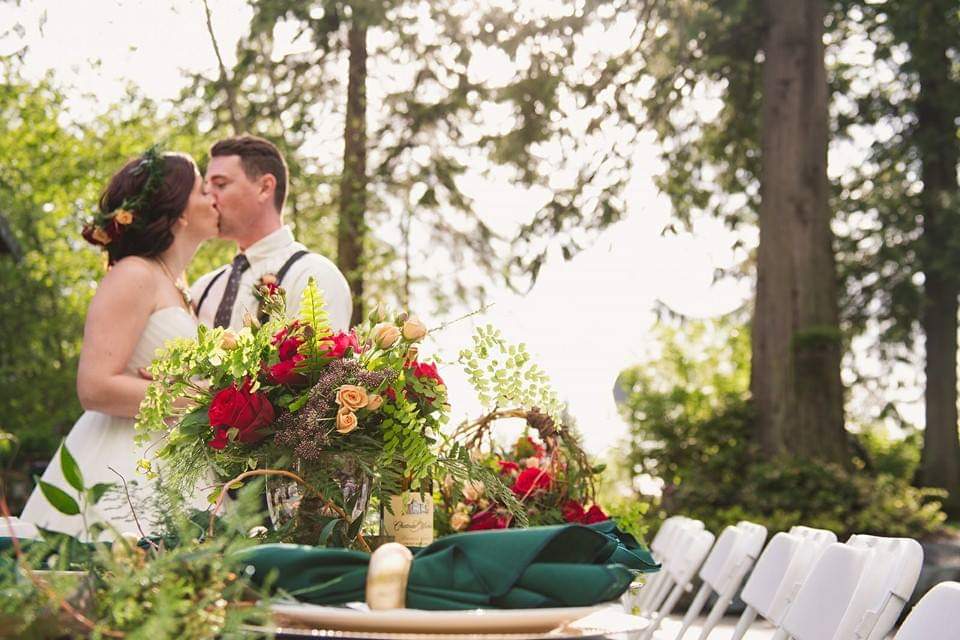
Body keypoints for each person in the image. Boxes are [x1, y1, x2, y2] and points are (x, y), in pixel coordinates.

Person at [19, 149, 218, 539]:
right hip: (124, 466)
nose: (212, 197)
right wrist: (204, 397)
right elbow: (94, 387)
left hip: (174, 462)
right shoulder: (133, 274)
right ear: (179, 212)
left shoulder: (178, 286)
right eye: (201, 190)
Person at [191, 135, 351, 332]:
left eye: (220, 184)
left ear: (264, 188)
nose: (209, 198)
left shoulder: (315, 278)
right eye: (206, 188)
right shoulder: (204, 289)